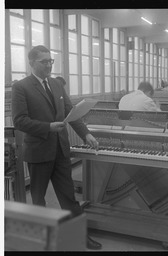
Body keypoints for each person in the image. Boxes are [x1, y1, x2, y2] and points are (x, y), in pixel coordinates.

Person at [11, 45, 102, 250]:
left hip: (60, 151)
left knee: (69, 197)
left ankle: (80, 237)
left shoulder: (56, 84)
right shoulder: (21, 87)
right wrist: (48, 128)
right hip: (38, 151)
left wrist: (86, 134)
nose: (49, 65)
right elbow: (19, 121)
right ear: (32, 63)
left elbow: (72, 112)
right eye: (44, 62)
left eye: (51, 61)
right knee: (38, 199)